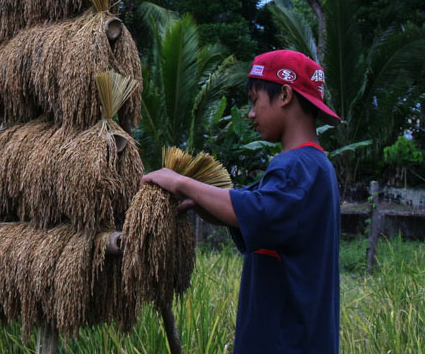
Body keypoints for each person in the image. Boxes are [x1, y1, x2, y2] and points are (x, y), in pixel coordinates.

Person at [142, 50, 341, 353]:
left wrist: (180, 181)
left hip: (286, 344)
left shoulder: (295, 168)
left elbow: (254, 210)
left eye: (254, 101)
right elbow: (250, 206)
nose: (250, 114)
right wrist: (201, 203)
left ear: (285, 95)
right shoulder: (316, 167)